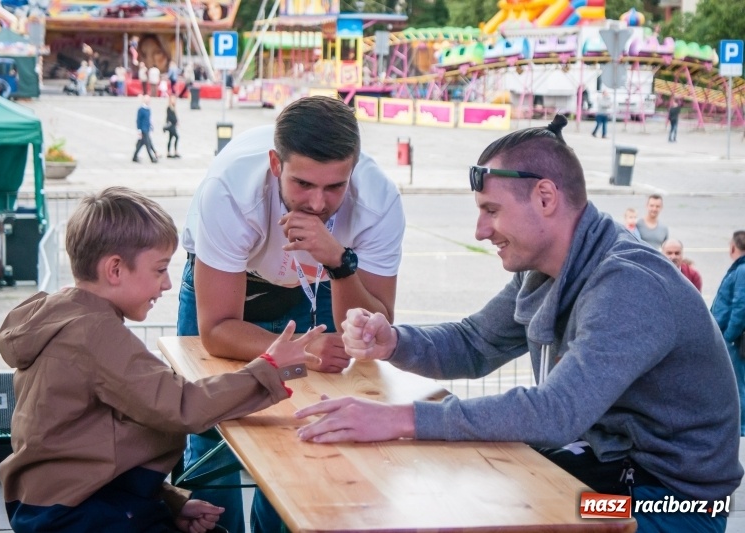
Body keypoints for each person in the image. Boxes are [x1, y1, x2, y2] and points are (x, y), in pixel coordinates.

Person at [296, 115, 743, 533]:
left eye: (491, 210)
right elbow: (475, 342)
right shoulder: (550, 268)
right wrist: (393, 341)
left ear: (545, 198)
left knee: (503, 509)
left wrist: (399, 419)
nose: (480, 230)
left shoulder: (628, 285)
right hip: (607, 467)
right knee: (473, 492)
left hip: (670, 502)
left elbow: (555, 412)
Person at [0, 186, 324, 533]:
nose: (167, 284)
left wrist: (169, 502)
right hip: (77, 516)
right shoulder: (95, 334)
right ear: (115, 269)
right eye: (159, 270)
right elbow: (183, 406)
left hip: (55, 507)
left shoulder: (64, 319)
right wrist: (270, 368)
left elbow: (90, 449)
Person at [179, 95, 405, 532]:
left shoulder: (379, 200)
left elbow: (374, 332)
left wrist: (339, 263)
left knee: (309, 425)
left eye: (335, 187)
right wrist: (300, 351)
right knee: (211, 427)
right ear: (275, 164)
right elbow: (217, 329)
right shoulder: (230, 189)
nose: (318, 204)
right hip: (236, 284)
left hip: (321, 281)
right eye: (303, 184)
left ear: (354, 170)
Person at [711, 230, 745, 436]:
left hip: (735, 341)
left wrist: (728, 337)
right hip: (733, 338)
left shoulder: (741, 270)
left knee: (737, 385)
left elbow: (740, 305)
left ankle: (740, 429)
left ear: (733, 248)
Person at [133, 94, 158, 163]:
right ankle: (152, 157)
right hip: (143, 129)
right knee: (148, 143)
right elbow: (138, 120)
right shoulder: (141, 109)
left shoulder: (148, 109)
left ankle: (134, 156)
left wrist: (151, 126)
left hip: (147, 128)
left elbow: (149, 119)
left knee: (141, 143)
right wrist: (139, 130)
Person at [164, 94, 180, 158]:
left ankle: (169, 152)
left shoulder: (173, 107)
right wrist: (175, 121)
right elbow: (170, 117)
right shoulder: (169, 108)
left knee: (170, 139)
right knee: (177, 137)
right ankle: (174, 151)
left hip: (173, 126)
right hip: (171, 126)